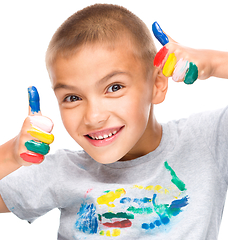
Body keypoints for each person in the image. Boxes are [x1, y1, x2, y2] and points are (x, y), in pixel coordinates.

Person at [0, 3, 228, 240]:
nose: (94, 116)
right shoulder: (61, 171)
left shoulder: (206, 141)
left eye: (114, 87)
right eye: (73, 97)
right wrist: (10, 155)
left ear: (157, 85)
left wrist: (214, 63)